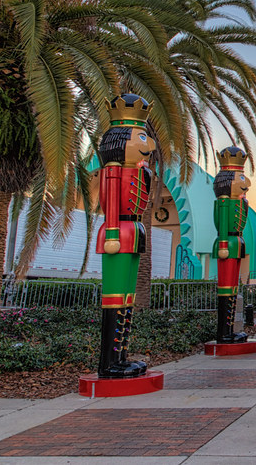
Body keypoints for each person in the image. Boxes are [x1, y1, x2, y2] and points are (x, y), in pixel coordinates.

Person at [96, 94, 155, 378]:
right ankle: (109, 361)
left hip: (133, 231)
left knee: (127, 296)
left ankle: (121, 355)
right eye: (142, 138)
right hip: (118, 233)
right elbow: (109, 203)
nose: (150, 145)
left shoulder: (139, 171)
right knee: (115, 297)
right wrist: (110, 234)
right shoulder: (113, 170)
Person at [212, 146, 251, 344]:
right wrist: (224, 244)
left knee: (233, 287)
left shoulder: (239, 202)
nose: (246, 183)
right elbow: (222, 221)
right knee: (226, 287)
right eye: (241, 178)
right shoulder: (224, 202)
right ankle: (224, 332)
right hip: (227, 244)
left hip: (236, 242)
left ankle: (230, 329)